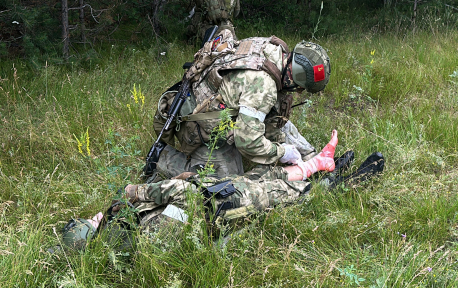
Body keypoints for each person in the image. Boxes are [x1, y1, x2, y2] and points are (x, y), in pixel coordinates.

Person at [60, 130, 385, 250]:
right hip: (223, 204)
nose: (97, 215)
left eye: (92, 218)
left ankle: (322, 163)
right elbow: (179, 203)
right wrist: (139, 191)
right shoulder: (144, 234)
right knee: (289, 193)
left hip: (213, 195)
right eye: (92, 222)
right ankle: (345, 180)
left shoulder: (127, 225)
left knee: (269, 174)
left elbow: (177, 197)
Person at [149, 29, 331, 182]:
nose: (298, 93)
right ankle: (162, 157)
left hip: (218, 102)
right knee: (225, 182)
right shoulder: (263, 86)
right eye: (300, 89)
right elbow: (247, 141)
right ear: (296, 80)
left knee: (279, 122)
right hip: (200, 124)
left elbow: (272, 118)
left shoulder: (274, 49)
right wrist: (282, 153)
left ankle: (314, 159)